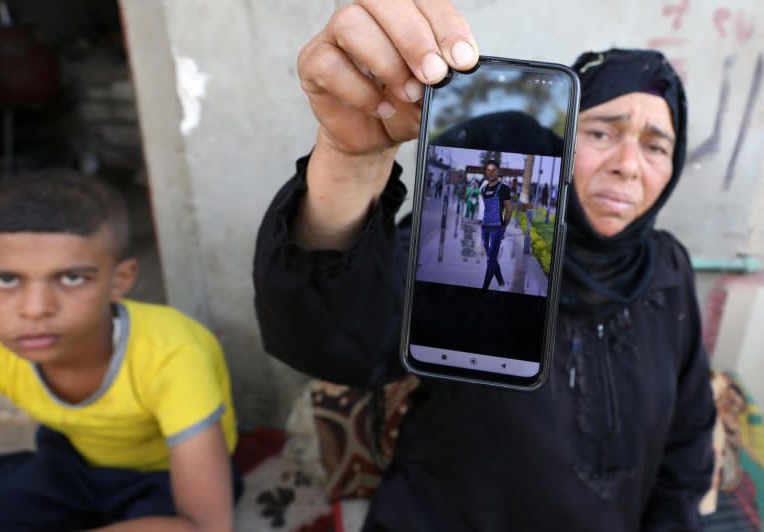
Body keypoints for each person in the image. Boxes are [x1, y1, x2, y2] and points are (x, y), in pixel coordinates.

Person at [253, 2, 715, 530]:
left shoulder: (667, 269)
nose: (628, 166)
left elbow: (687, 443)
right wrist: (349, 161)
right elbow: (333, 337)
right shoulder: (509, 241)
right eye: (602, 132)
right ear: (561, 142)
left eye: (656, 146)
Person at [0, 174, 239, 531]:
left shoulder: (172, 351)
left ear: (119, 281)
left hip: (161, 475)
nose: (34, 309)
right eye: (6, 280)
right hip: (69, 467)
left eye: (72, 278)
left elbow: (205, 525)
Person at [479, 160, 513, 289]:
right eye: (488, 170)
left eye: (493, 170)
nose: (491, 172)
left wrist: (504, 225)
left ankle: (484, 287)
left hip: (497, 228)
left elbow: (509, 208)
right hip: (485, 227)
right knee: (491, 256)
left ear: (498, 171)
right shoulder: (483, 189)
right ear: (486, 172)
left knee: (491, 259)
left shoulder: (503, 188)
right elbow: (486, 207)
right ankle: (501, 282)